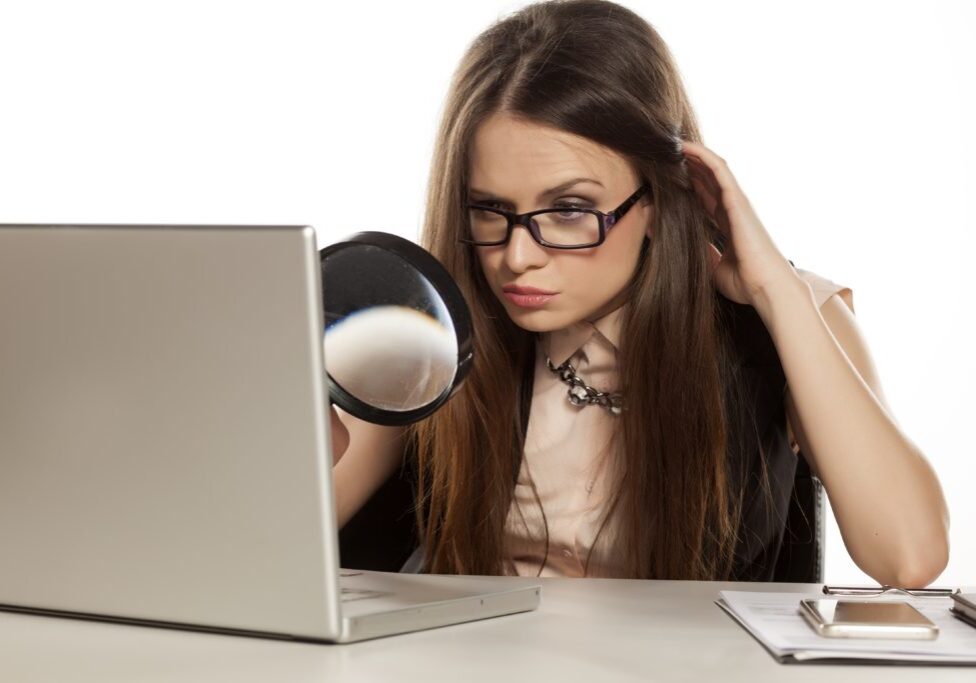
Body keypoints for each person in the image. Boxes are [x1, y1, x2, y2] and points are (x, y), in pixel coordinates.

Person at [330, 0, 949, 585]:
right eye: (490, 211)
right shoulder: (434, 330)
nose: (518, 257)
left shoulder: (791, 314)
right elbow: (268, 539)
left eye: (569, 210)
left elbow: (909, 557)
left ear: (658, 198)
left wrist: (773, 287)